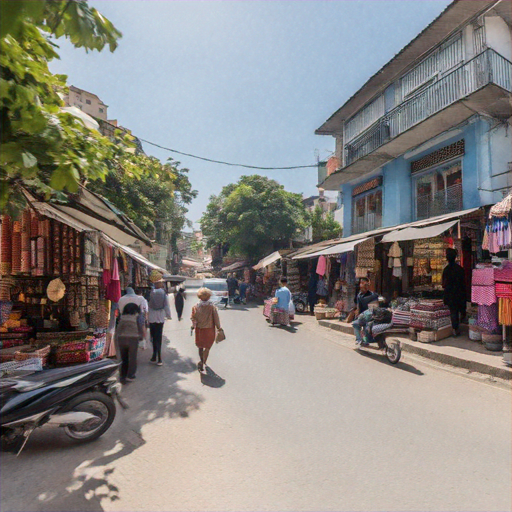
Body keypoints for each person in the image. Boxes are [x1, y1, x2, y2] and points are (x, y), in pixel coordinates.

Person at [191, 287, 222, 372]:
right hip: (209, 330)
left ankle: (201, 360)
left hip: (199, 330)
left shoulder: (195, 307)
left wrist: (193, 326)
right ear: (208, 297)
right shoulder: (212, 307)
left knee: (200, 347)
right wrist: (219, 328)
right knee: (207, 347)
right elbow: (216, 318)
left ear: (199, 297)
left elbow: (193, 318)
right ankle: (203, 361)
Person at [115, 303, 144, 384]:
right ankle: (130, 375)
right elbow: (140, 328)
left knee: (124, 358)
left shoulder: (122, 317)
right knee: (132, 358)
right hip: (133, 339)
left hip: (122, 339)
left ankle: (123, 375)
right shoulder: (137, 317)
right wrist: (141, 336)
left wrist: (116, 340)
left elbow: (118, 330)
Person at [442, 248, 467, 337]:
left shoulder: (446, 270)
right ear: (455, 257)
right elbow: (464, 282)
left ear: (447, 258)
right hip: (460, 293)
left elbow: (443, 284)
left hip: (450, 293)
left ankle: (455, 329)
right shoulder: (460, 269)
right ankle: (458, 325)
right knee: (460, 309)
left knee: (453, 311)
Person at [148, 280, 172, 365]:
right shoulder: (163, 294)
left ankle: (154, 355)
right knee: (159, 338)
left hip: (152, 317)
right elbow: (166, 305)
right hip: (160, 317)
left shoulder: (151, 293)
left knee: (153, 337)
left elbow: (148, 305)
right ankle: (159, 358)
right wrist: (169, 316)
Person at [352, 277, 379, 346]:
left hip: (371, 316)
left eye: (364, 283)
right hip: (362, 316)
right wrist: (357, 316)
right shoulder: (359, 295)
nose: (362, 285)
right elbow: (358, 307)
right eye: (361, 283)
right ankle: (359, 340)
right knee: (355, 324)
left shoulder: (373, 295)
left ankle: (365, 340)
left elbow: (375, 307)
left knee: (366, 326)